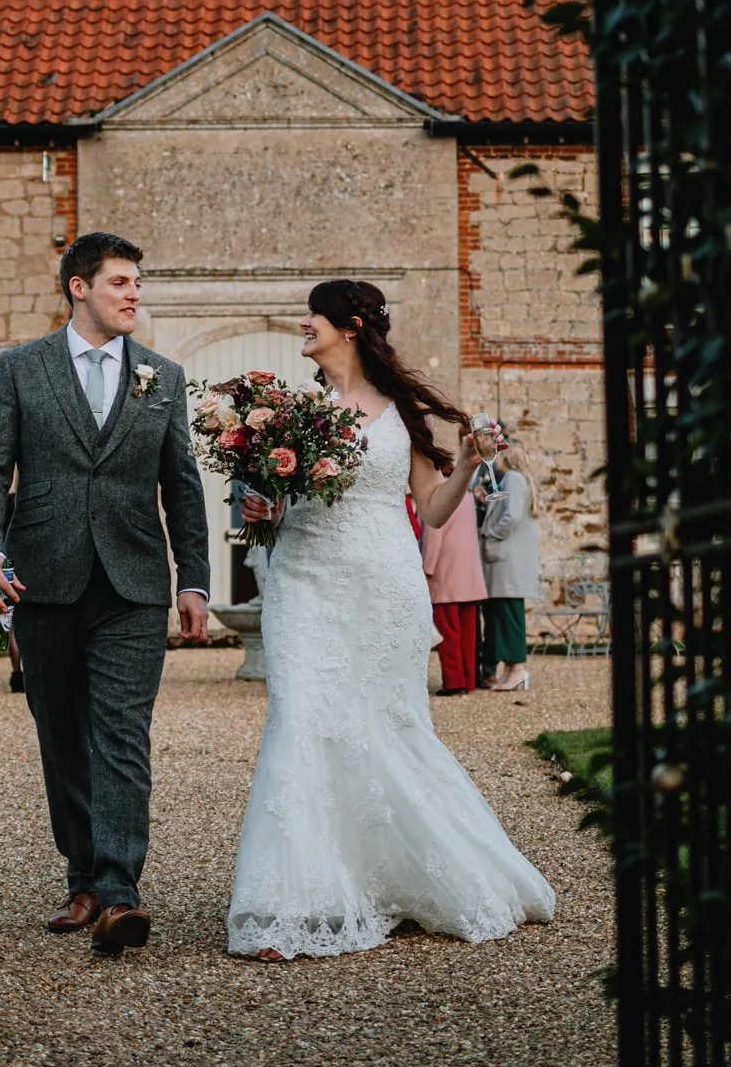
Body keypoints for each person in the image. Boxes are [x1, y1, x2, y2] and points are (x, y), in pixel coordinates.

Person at [230, 279, 557, 963]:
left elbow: (431, 508)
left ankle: (394, 876)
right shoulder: (291, 409)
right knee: (300, 718)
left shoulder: (402, 412)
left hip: (382, 587)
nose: (304, 323)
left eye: (314, 315)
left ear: (350, 326)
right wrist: (263, 507)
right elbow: (277, 501)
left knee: (384, 728)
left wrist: (468, 463)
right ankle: (295, 903)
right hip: (303, 581)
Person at [0, 232, 213, 958]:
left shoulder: (163, 376)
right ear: (79, 287)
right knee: (62, 732)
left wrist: (194, 577)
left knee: (123, 734)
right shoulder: (22, 368)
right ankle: (82, 878)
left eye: (137, 283)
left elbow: (182, 484)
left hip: (134, 583)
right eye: (119, 282)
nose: (133, 294)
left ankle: (120, 890)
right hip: (42, 578)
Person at [471, 419, 540, 693]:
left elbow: (510, 516)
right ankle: (511, 672)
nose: (495, 458)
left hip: (507, 561)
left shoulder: (512, 478)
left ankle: (518, 669)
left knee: (510, 616)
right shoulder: (514, 481)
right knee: (505, 615)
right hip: (506, 562)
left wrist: (490, 534)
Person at [420, 465, 488, 695]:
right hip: (469, 570)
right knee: (469, 631)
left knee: (448, 630)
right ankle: (468, 680)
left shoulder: (439, 494)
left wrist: (426, 568)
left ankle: (454, 681)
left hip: (446, 569)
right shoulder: (467, 494)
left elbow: (433, 536)